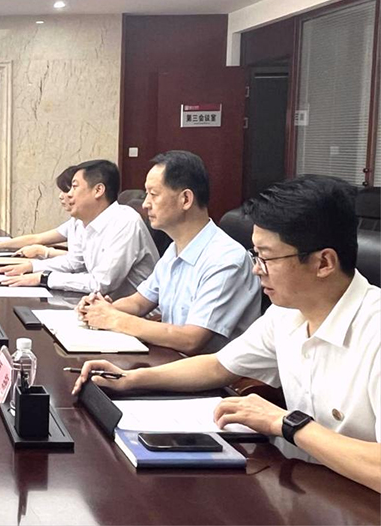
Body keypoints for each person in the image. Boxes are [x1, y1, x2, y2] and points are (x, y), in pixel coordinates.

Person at [72, 175, 380, 493]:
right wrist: (131, 379)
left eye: (267, 258)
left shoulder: (374, 331)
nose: (256, 269)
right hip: (302, 486)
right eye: (255, 255)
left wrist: (286, 423)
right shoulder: (288, 313)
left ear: (324, 262)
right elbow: (219, 365)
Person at [77, 151, 260, 354]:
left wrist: (116, 319)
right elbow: (139, 302)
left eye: (153, 194)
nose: (145, 204)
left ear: (185, 199)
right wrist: (100, 309)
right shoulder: (175, 248)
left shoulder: (226, 259)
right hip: (172, 359)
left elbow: (191, 339)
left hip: (206, 370)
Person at [0, 159, 158, 299]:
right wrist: (32, 267)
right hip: (105, 306)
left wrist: (44, 278)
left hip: (140, 317)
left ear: (98, 190)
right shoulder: (85, 222)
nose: (69, 194)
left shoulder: (125, 222)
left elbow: (101, 284)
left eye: (74, 187)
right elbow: (74, 262)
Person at [0, 165, 82, 260]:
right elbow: (36, 239)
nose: (61, 196)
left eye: (66, 190)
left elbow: (80, 260)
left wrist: (44, 252)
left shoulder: (89, 225)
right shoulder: (74, 222)